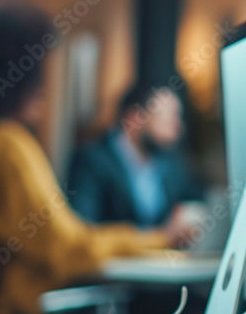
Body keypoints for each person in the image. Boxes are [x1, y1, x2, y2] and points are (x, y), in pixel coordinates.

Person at [0, 0, 187, 314]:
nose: (42, 82)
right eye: (35, 69)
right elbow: (69, 251)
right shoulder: (6, 147)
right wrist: (162, 237)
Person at [68, 84, 202, 228]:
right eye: (167, 120)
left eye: (178, 118)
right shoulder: (92, 161)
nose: (178, 127)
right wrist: (161, 237)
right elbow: (85, 229)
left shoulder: (171, 164)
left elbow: (197, 200)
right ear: (134, 119)